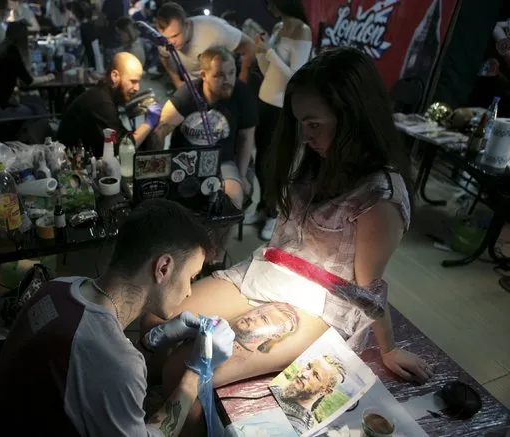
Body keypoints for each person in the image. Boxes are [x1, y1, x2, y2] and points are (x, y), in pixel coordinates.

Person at [142, 47, 433, 436]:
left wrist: (388, 347)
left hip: (321, 302)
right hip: (269, 270)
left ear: (352, 116)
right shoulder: (319, 158)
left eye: (313, 124)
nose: (305, 135)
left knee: (186, 369)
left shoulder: (379, 195)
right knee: (154, 323)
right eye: (300, 123)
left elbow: (367, 292)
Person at [0, 199, 236, 437]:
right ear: (163, 268)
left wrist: (150, 343)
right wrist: (196, 372)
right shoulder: (115, 362)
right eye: (191, 278)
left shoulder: (58, 286)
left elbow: (90, 370)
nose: (190, 291)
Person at [152, 46, 257, 265]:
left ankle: (215, 258)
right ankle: (184, 253)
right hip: (186, 160)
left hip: (223, 161)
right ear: (203, 76)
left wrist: (243, 173)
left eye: (231, 72)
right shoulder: (187, 94)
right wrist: (159, 165)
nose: (227, 80)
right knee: (177, 202)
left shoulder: (241, 93)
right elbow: (161, 131)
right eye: (219, 75)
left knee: (233, 197)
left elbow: (247, 137)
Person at [244, 0, 312, 241]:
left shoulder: (303, 30)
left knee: (274, 163)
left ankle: (274, 213)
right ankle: (264, 207)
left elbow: (297, 75)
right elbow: (267, 70)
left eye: (273, 4)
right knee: (260, 159)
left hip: (282, 107)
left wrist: (270, 52)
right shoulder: (278, 27)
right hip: (264, 100)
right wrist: (262, 52)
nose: (270, 8)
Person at [57, 52, 162, 156]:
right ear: (115, 76)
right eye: (133, 81)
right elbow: (120, 151)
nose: (137, 88)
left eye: (138, 82)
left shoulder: (104, 93)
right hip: (70, 163)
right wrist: (148, 124)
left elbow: (120, 136)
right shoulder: (102, 103)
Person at [154, 2, 254, 88]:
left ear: (187, 24)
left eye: (175, 35)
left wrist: (243, 79)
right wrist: (177, 82)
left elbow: (249, 45)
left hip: (224, 82)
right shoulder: (163, 41)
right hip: (194, 83)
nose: (170, 42)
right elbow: (164, 58)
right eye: (166, 38)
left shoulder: (214, 30)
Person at [0, 21, 54, 120]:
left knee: (37, 104)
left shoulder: (0, 48)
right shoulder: (11, 53)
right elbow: (28, 81)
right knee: (36, 111)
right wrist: (48, 77)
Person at [274, 355, 346, 434]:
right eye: (308, 367)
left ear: (326, 391)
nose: (304, 374)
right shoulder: (278, 389)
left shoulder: (298, 428)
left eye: (316, 375)